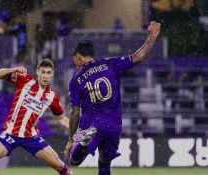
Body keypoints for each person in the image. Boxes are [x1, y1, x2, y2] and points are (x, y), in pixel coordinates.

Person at [64, 21, 161, 175]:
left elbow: (75, 112)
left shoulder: (76, 79)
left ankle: (82, 138)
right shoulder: (110, 64)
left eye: (75, 58)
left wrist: (70, 139)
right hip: (114, 125)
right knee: (104, 162)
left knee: (74, 160)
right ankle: (86, 138)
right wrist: (152, 37)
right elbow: (139, 56)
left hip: (92, 123)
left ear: (78, 56)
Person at [0, 59, 72, 175]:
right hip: (11, 133)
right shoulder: (25, 80)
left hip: (31, 137)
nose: (45, 76)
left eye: (48, 73)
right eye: (43, 72)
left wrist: (77, 130)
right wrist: (14, 69)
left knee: (59, 165)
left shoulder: (52, 97)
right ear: (37, 72)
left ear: (52, 74)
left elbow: (61, 119)